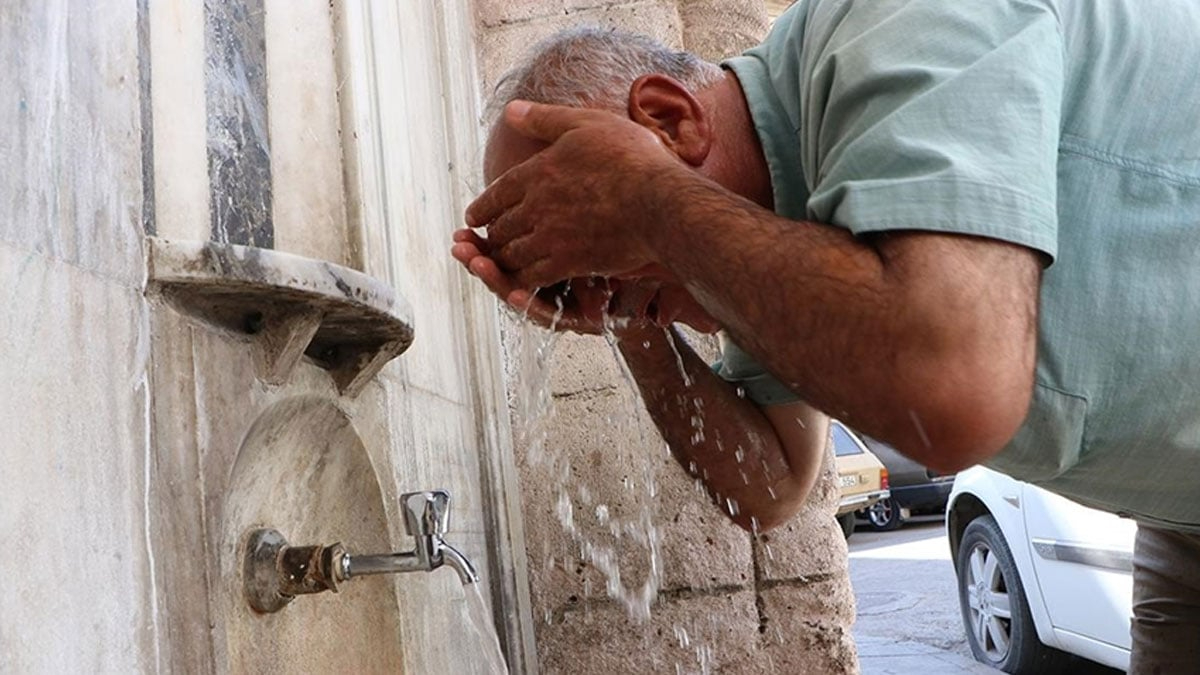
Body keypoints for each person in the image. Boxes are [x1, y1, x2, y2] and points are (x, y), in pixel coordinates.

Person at [453, 1, 1200, 671]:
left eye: (582, 220)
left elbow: (953, 392)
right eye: (571, 269)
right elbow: (771, 485)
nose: (590, 273)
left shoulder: (899, 24)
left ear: (671, 121)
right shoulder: (761, 247)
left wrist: (645, 203)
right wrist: (625, 311)